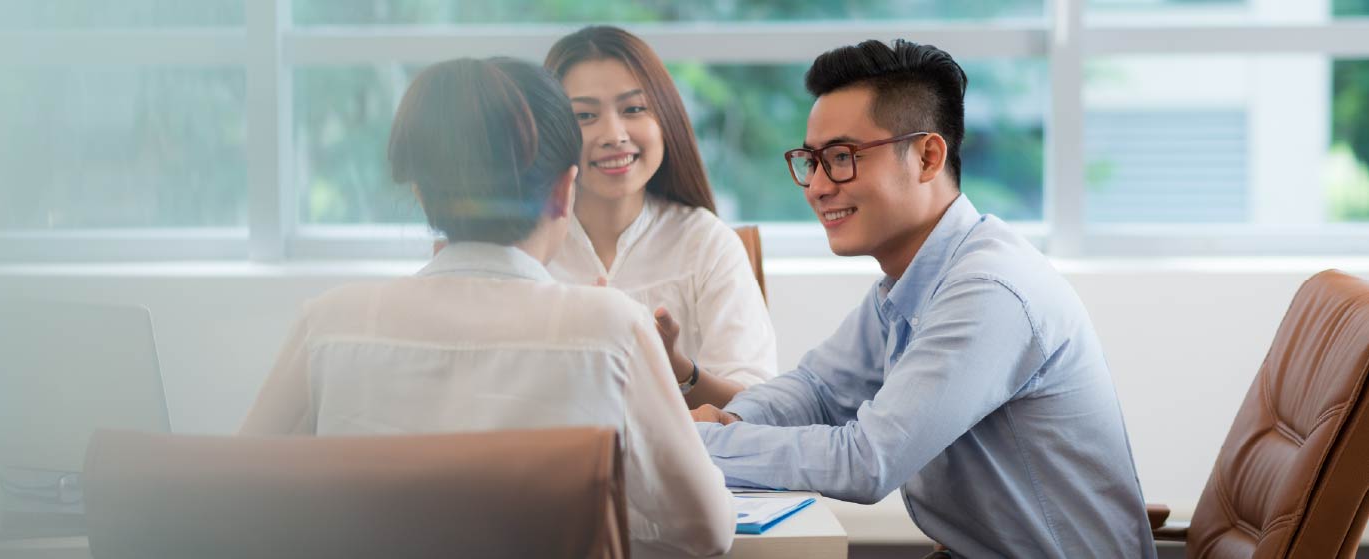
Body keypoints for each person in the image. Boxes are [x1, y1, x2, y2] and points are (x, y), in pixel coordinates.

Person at [239, 57, 733, 557]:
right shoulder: (612, 326)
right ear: (565, 190)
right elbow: (706, 531)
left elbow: (239, 501)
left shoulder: (328, 323)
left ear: (421, 194)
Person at [690, 39, 1156, 558]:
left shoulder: (988, 291)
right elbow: (818, 389)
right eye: (811, 161)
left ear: (928, 156)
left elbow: (866, 462)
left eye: (842, 158)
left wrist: (686, 445)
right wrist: (732, 421)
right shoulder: (908, 283)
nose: (817, 186)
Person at [544, 26, 776, 409]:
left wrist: (677, 368)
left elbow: (761, 406)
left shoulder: (707, 243)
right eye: (584, 115)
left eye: (634, 109)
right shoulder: (525, 245)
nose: (614, 134)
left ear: (665, 118)